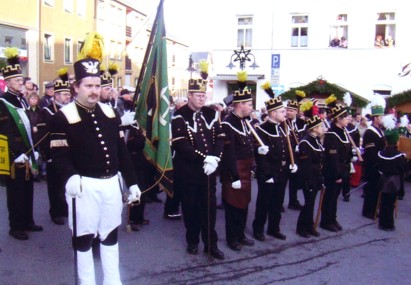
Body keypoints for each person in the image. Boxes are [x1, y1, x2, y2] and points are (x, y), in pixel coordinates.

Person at [49, 33, 141, 285]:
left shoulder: (109, 112)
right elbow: (59, 153)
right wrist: (69, 177)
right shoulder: (63, 116)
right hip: (84, 187)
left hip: (111, 185)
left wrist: (132, 182)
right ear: (76, 87)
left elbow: (121, 151)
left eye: (97, 86)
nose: (93, 91)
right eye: (88, 86)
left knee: (110, 236)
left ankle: (113, 281)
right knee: (83, 239)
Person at [171, 75, 225, 260]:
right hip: (188, 172)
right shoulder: (179, 115)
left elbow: (220, 138)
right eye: (198, 95)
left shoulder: (212, 113)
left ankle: (211, 245)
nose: (202, 98)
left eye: (204, 95)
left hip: (209, 171)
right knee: (191, 208)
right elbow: (181, 145)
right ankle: (193, 241)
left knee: (209, 209)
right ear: (190, 95)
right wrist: (205, 158)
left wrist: (215, 159)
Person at [0, 47, 43, 241]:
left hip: (26, 150)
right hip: (13, 153)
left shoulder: (22, 101)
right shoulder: (4, 101)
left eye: (21, 80)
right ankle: (15, 226)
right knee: (15, 191)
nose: (22, 83)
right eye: (18, 80)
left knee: (27, 188)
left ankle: (27, 221)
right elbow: (4, 131)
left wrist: (32, 149)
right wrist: (16, 152)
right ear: (8, 82)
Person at [252, 92, 298, 242]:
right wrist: (267, 174)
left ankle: (274, 228)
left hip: (282, 171)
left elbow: (287, 148)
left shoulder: (283, 127)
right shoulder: (262, 129)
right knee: (264, 202)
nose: (285, 114)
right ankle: (258, 229)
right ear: (273, 113)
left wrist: (292, 163)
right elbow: (261, 156)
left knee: (278, 202)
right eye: (282, 111)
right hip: (268, 172)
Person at [220, 73, 255, 251]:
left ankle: (241, 234)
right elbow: (228, 154)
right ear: (240, 105)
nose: (251, 108)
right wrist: (233, 176)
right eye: (249, 104)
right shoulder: (228, 123)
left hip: (246, 170)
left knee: (244, 203)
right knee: (233, 206)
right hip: (234, 171)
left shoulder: (245, 122)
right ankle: (232, 237)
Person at [39, 68, 72, 225]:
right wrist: (47, 155)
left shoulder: (70, 110)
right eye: (65, 94)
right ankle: (55, 212)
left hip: (68, 153)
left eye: (68, 94)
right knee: (54, 185)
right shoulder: (46, 111)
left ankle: (64, 208)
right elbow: (42, 136)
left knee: (66, 183)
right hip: (53, 154)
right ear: (56, 96)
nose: (68, 97)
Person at [320, 104, 352, 232]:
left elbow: (345, 152)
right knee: (330, 197)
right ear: (338, 119)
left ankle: (333, 218)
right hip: (333, 171)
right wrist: (337, 174)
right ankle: (325, 221)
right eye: (345, 118)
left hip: (343, 169)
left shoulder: (343, 132)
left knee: (335, 196)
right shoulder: (332, 134)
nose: (348, 120)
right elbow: (333, 157)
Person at [296, 100, 325, 238]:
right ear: (313, 128)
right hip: (309, 178)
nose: (322, 128)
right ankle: (301, 227)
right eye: (320, 126)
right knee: (308, 203)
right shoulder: (306, 142)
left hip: (316, 176)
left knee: (312, 203)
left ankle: (310, 225)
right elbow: (305, 165)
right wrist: (308, 181)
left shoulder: (316, 141)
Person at [376, 115, 406, 231]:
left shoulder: (381, 153)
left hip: (383, 180)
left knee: (384, 202)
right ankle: (387, 224)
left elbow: (378, 166)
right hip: (394, 182)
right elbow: (402, 170)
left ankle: (381, 222)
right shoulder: (399, 156)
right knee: (390, 203)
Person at [362, 95, 386, 219]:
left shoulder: (380, 130)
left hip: (379, 164)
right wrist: (377, 163)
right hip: (372, 165)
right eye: (380, 117)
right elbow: (370, 152)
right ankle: (368, 211)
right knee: (371, 189)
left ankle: (374, 208)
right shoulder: (370, 132)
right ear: (375, 118)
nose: (382, 119)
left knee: (376, 189)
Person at [285, 91, 306, 210]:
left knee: (295, 180)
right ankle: (279, 202)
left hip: (297, 155)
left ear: (296, 111)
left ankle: (293, 201)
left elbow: (303, 136)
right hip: (286, 155)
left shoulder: (302, 123)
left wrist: (301, 146)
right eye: (287, 110)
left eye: (291, 110)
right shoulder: (282, 122)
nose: (288, 112)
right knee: (283, 181)